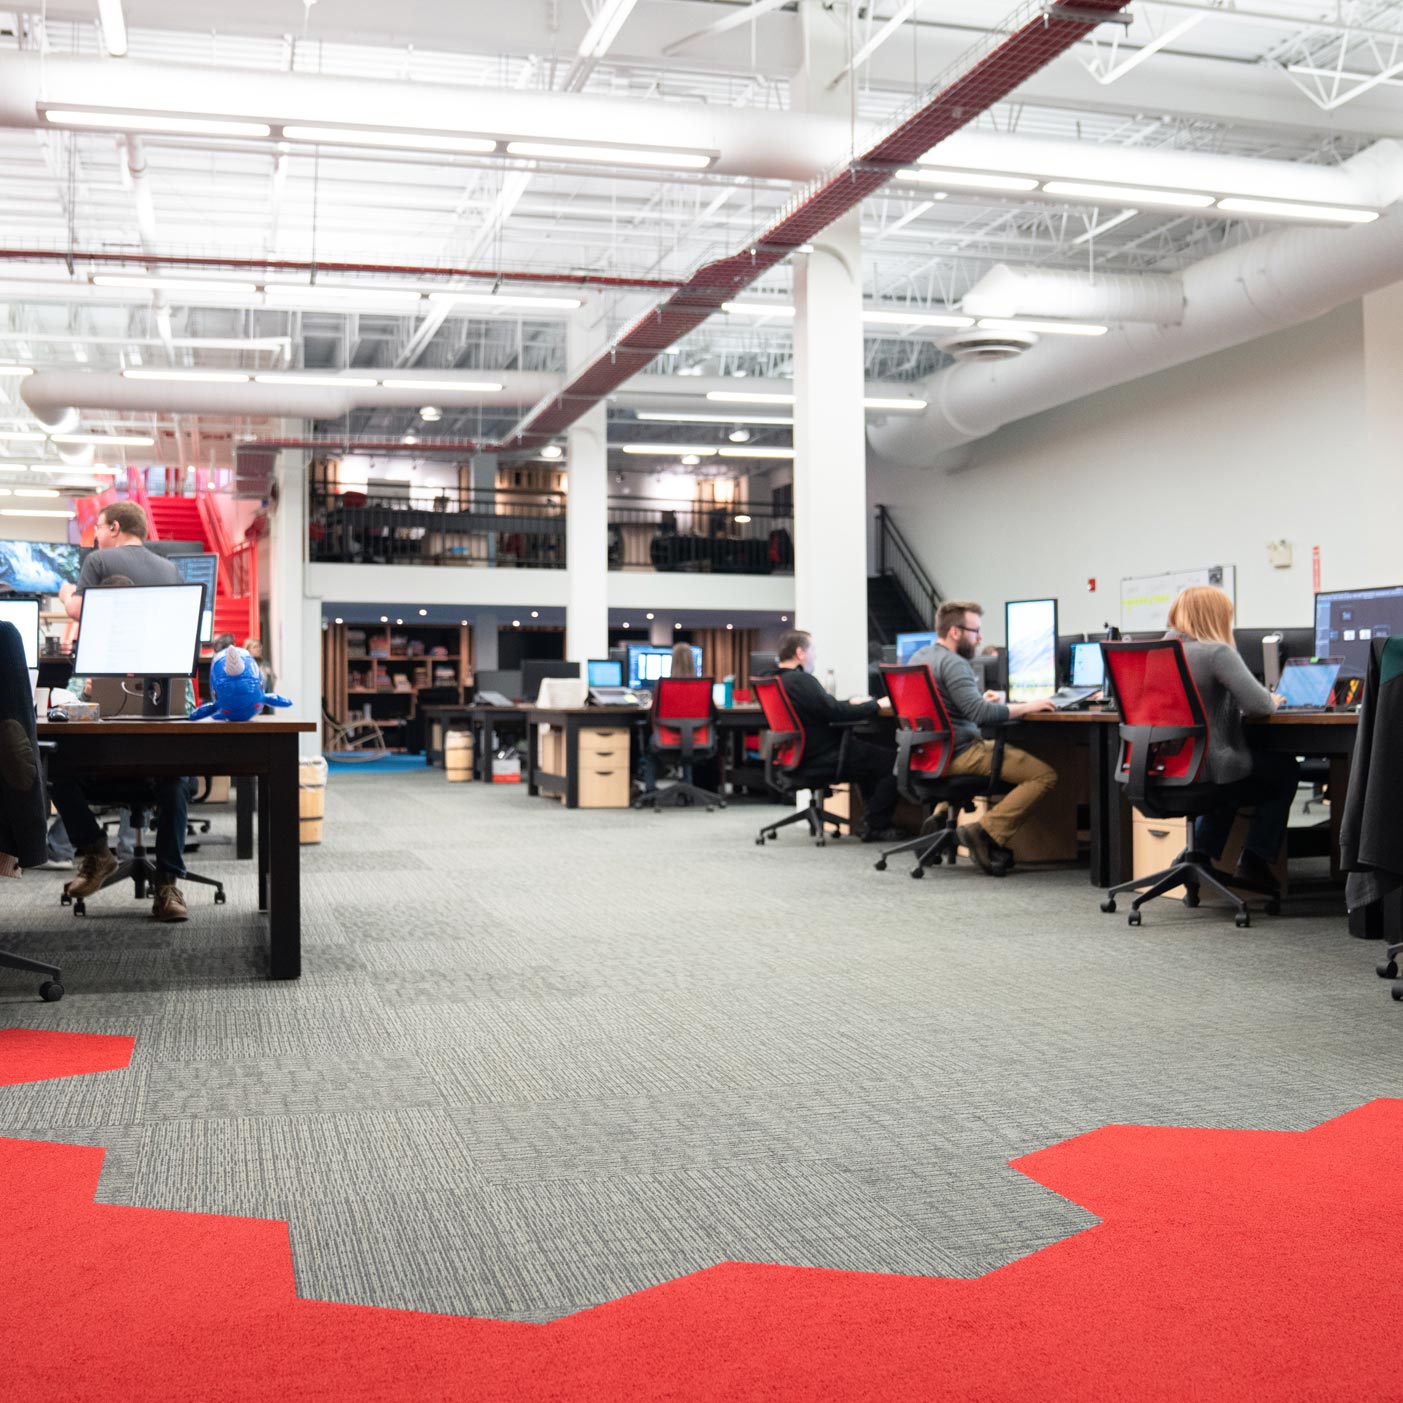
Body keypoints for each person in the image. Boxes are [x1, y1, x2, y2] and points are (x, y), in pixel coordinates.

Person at [52, 506, 193, 921]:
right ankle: (121, 864)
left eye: (98, 529)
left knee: (175, 780)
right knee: (54, 765)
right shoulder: (171, 574)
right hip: (125, 747)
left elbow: (183, 712)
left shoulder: (97, 561)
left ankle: (144, 874)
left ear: (114, 528)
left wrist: (65, 597)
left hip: (135, 759)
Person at [1165, 585, 1298, 895]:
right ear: (1216, 618)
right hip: (1207, 768)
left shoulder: (1158, 653)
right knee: (1283, 769)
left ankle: (1198, 853)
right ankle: (1255, 858)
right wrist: (1273, 700)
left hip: (1161, 767)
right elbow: (1259, 706)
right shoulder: (1217, 652)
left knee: (1230, 773)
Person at [908, 601, 1057, 876]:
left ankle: (941, 814)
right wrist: (1028, 706)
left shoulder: (919, 658)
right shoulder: (954, 664)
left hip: (930, 755)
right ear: (955, 632)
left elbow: (953, 705)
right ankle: (985, 831)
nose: (979, 638)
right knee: (1043, 775)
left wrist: (979, 698)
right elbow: (980, 714)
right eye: (975, 631)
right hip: (960, 753)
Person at [774, 629, 899, 842]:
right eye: (813, 650)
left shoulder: (777, 680)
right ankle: (877, 825)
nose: (816, 655)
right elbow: (833, 712)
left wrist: (852, 704)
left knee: (869, 759)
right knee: (894, 762)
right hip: (825, 755)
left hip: (800, 755)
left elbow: (827, 708)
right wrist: (875, 705)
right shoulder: (801, 680)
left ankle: (871, 822)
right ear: (800, 653)